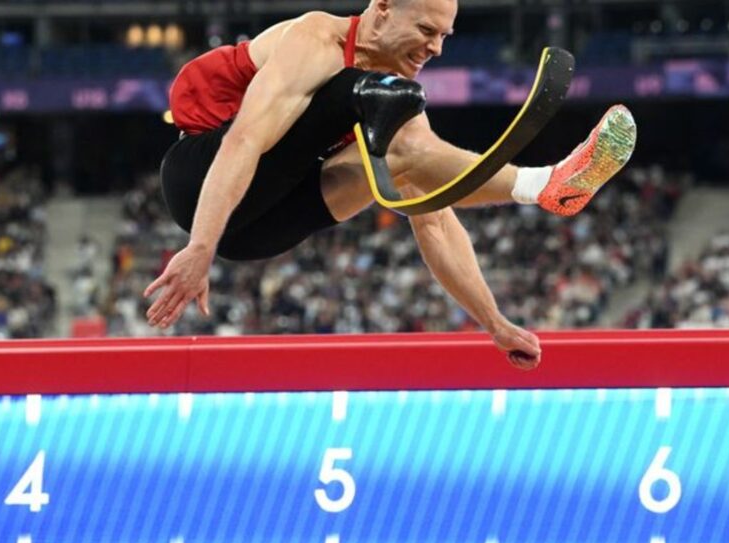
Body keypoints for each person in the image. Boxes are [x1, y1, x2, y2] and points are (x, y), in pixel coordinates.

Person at [145, 0, 637, 370]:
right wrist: (200, 247)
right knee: (366, 91)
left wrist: (494, 323)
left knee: (406, 155)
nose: (436, 47)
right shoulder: (317, 40)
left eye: (445, 36)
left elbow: (436, 217)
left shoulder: (388, 99)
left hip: (257, 233)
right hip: (198, 178)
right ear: (381, 11)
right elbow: (244, 142)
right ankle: (545, 183)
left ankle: (548, 190)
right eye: (426, 29)